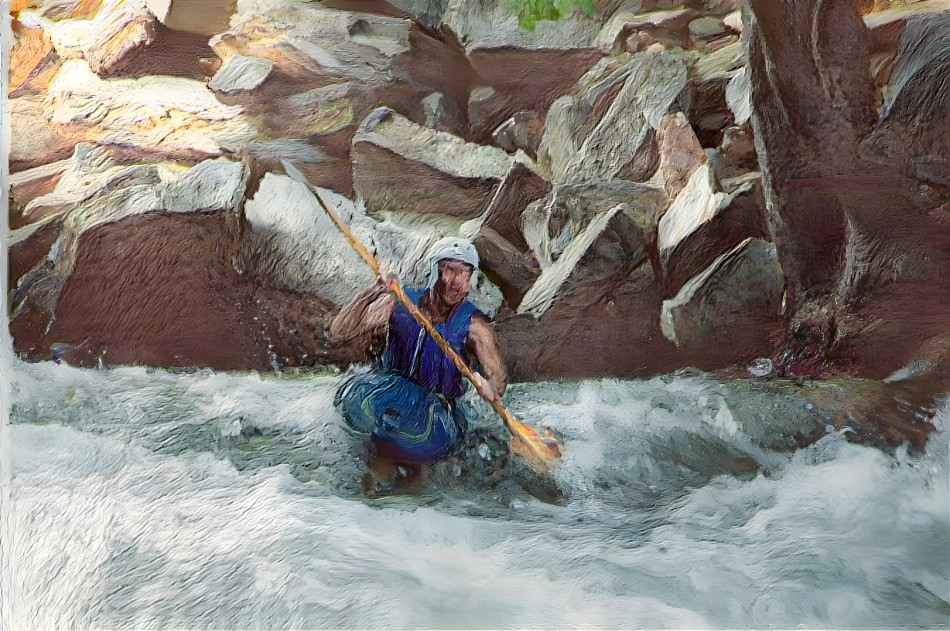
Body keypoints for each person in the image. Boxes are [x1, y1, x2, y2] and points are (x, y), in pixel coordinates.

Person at [329, 237, 509, 492]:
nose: (459, 283)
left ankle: (403, 491)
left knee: (398, 462)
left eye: (466, 275)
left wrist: (490, 388)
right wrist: (374, 290)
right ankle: (377, 497)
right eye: (451, 272)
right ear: (434, 271)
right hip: (385, 399)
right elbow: (339, 332)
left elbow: (497, 379)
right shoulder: (400, 303)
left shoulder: (475, 326)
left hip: (436, 420)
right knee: (380, 449)